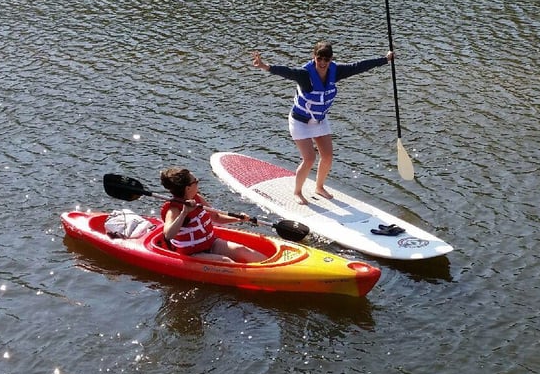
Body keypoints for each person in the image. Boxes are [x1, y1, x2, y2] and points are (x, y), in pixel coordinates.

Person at [252, 41, 394, 205]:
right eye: (319, 59)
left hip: (320, 121)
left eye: (326, 60)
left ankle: (319, 187)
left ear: (331, 59)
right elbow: (287, 72)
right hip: (300, 122)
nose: (323, 63)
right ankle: (297, 192)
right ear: (314, 58)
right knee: (309, 158)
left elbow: (358, 67)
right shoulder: (305, 74)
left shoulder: (336, 71)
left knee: (327, 156)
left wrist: (385, 59)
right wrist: (264, 66)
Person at [159, 167, 267, 263]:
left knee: (241, 250)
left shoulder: (198, 198)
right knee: (226, 261)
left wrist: (239, 219)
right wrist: (184, 213)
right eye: (196, 181)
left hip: (210, 243)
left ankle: (270, 267)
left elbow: (216, 217)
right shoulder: (174, 209)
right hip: (191, 253)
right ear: (188, 188)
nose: (198, 183)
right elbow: (168, 235)